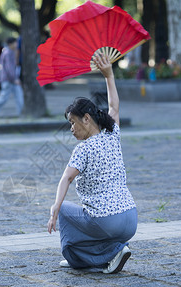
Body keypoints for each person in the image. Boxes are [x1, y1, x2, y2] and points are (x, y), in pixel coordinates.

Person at [47, 54, 137, 274]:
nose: (71, 128)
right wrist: (109, 75)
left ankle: (85, 257)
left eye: (72, 122)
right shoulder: (112, 133)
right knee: (87, 222)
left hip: (108, 222)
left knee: (67, 213)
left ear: (86, 118)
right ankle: (115, 252)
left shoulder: (83, 149)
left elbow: (66, 178)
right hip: (130, 218)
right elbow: (114, 107)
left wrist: (55, 208)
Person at [0, 37, 24, 117]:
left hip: (10, 79)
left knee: (18, 95)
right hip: (8, 80)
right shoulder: (8, 53)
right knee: (4, 97)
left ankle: (22, 112)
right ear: (10, 44)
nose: (16, 44)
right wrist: (15, 79)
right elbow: (9, 68)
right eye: (15, 43)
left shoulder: (9, 52)